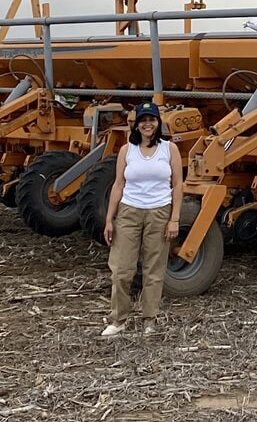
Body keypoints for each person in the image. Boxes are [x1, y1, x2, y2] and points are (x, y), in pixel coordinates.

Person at [100, 102, 183, 337]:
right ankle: (118, 319)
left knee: (154, 269)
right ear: (136, 124)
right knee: (121, 269)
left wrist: (174, 218)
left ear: (158, 123)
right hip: (129, 211)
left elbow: (178, 184)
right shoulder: (127, 150)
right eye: (143, 120)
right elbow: (118, 185)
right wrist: (109, 218)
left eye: (152, 119)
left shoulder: (169, 149)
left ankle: (149, 319)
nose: (147, 124)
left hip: (159, 211)